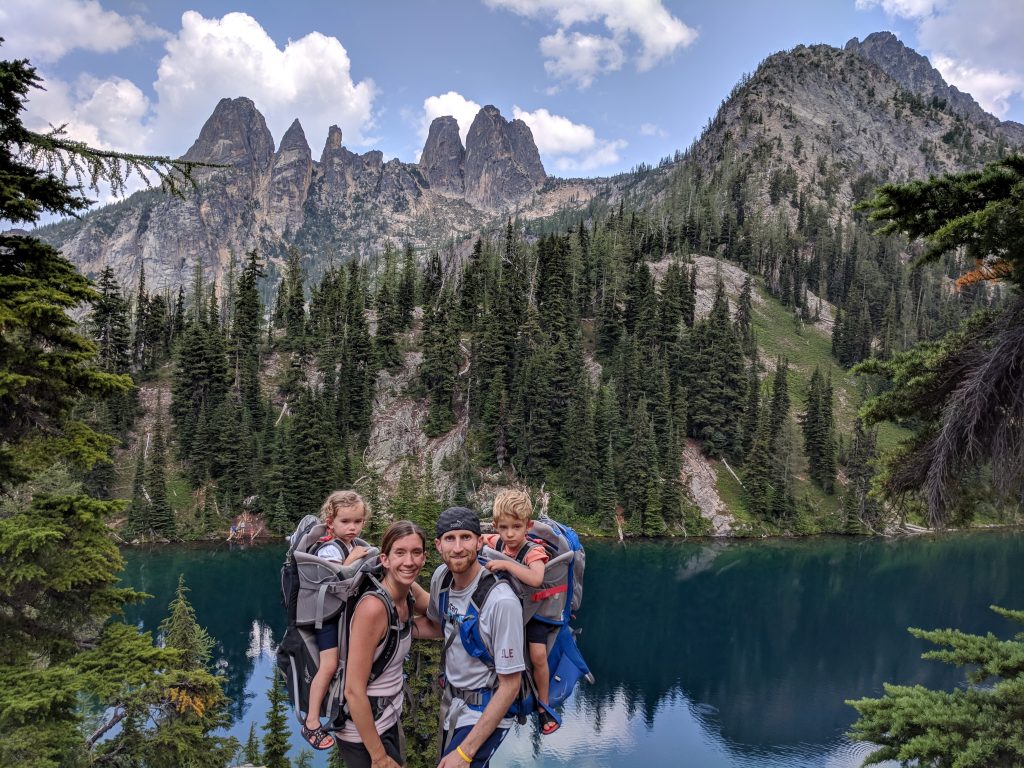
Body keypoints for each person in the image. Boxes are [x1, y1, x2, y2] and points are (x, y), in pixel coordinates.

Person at [421, 506, 525, 768]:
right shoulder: (441, 579)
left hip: (487, 706)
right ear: (438, 545)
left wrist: (465, 753)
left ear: (479, 542)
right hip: (454, 702)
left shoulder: (501, 602)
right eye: (450, 538)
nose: (458, 548)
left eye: (466, 537)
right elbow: (438, 626)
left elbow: (511, 685)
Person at [336, 520, 428, 768]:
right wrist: (378, 757)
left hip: (386, 720)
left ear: (424, 557)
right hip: (363, 734)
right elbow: (353, 690)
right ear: (385, 560)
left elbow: (442, 615)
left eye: (416, 552)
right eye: (400, 552)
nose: (409, 561)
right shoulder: (373, 608)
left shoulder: (407, 591)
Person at [481, 489, 558, 734]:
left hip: (534, 611)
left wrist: (506, 564)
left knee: (536, 656)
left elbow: (536, 578)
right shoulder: (498, 541)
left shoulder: (533, 551)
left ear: (529, 525)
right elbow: (482, 539)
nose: (510, 533)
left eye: (517, 526)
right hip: (510, 610)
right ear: (496, 526)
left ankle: (543, 705)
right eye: (503, 527)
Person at [302, 490, 372, 750]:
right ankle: (311, 722)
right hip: (327, 618)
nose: (353, 527)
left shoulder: (352, 544)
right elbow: (332, 580)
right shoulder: (330, 548)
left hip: (344, 617)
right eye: (346, 522)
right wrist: (351, 562)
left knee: (350, 664)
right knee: (329, 665)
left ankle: (341, 707)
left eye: (358, 521)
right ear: (331, 522)